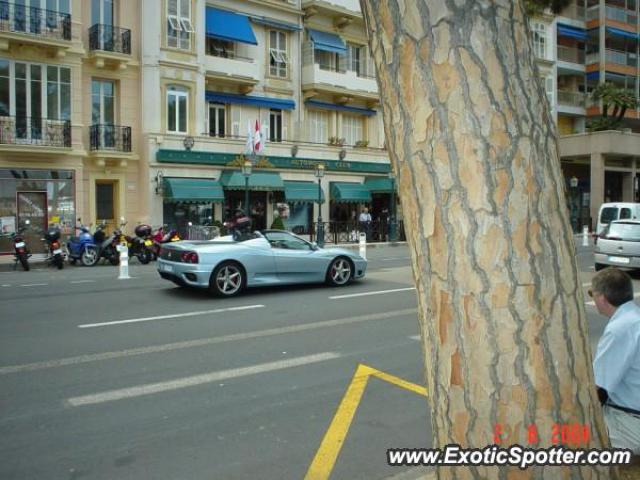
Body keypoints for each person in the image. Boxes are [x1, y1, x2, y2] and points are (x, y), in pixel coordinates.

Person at [590, 267, 640, 455]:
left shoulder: (619, 330)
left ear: (602, 297)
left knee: (564, 434)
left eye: (591, 294)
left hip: (629, 424)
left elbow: (598, 389)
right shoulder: (635, 318)